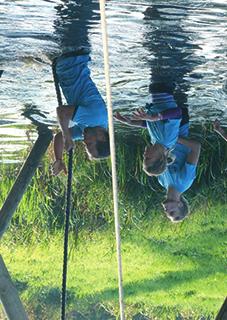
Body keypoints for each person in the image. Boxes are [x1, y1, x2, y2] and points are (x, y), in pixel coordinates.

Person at [52, 49, 110, 176]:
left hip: (68, 59)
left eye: (86, 145)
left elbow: (58, 138)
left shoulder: (89, 129)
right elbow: (61, 112)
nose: (84, 142)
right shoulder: (95, 118)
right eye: (89, 143)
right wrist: (67, 136)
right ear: (101, 137)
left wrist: (59, 159)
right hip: (73, 54)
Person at [114, 83, 182, 176]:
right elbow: (177, 113)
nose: (144, 155)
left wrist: (129, 122)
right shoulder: (167, 139)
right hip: (164, 88)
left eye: (144, 158)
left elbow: (151, 125)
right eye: (148, 158)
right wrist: (154, 117)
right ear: (161, 158)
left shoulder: (156, 142)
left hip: (158, 92)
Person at [159, 116, 201, 223]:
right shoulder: (185, 181)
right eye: (172, 213)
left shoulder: (161, 181)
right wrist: (174, 138)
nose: (167, 212)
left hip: (161, 128)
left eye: (167, 214)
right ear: (180, 204)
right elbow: (196, 147)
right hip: (179, 123)